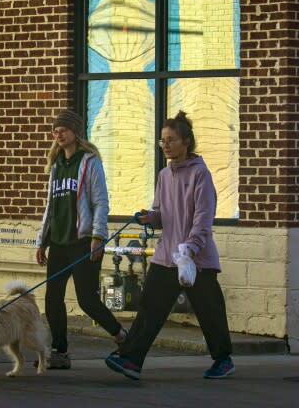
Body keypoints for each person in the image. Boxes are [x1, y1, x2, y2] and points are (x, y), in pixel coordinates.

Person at [105, 110, 234, 380]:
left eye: (171, 140)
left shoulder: (201, 175)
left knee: (210, 312)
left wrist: (190, 248)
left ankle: (223, 360)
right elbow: (162, 214)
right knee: (150, 307)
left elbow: (203, 219)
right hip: (166, 256)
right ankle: (131, 360)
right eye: (162, 140)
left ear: (186, 142)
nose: (165, 144)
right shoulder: (164, 175)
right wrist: (149, 217)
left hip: (195, 259)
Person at [35, 110, 127, 369]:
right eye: (55, 131)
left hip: (83, 242)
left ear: (75, 131)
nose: (58, 134)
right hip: (59, 244)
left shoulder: (89, 162)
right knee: (52, 298)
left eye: (63, 129)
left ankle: (122, 337)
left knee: (87, 299)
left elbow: (100, 202)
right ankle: (60, 352)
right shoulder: (56, 165)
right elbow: (50, 206)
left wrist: (98, 236)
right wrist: (42, 241)